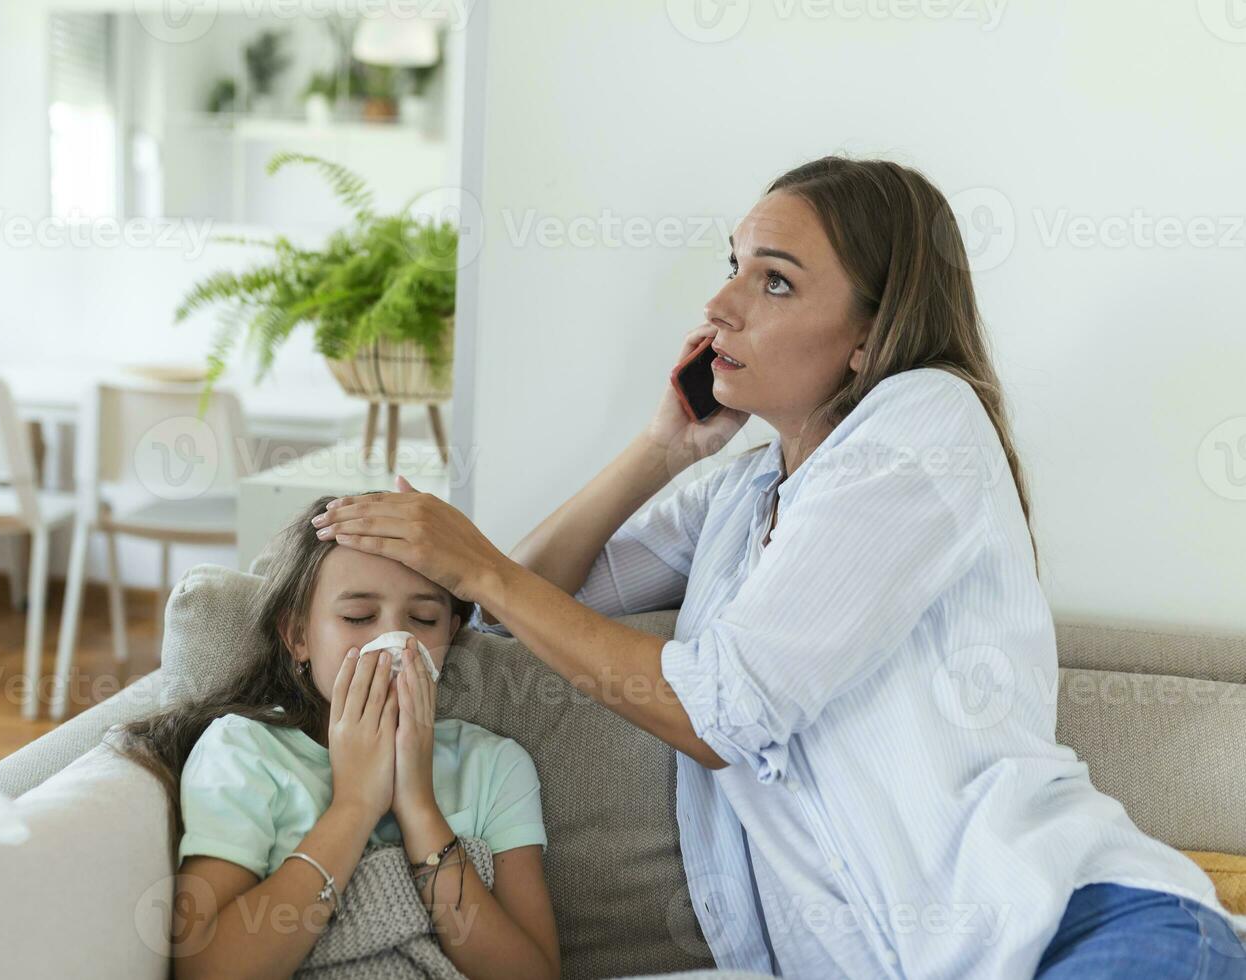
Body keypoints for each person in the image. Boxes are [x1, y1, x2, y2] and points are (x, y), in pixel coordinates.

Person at [311, 157, 1246, 978]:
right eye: (733, 268)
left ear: (869, 341)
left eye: (777, 283)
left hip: (1080, 933)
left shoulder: (926, 422)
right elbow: (516, 615)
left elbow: (725, 710)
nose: (721, 305)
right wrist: (659, 449)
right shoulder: (742, 491)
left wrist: (477, 565)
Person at [112, 494, 560, 980]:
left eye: (424, 620)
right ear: (298, 635)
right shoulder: (244, 752)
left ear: (451, 634)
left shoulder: (495, 765)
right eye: (359, 618)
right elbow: (210, 970)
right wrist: (355, 804)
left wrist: (418, 806)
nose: (394, 643)